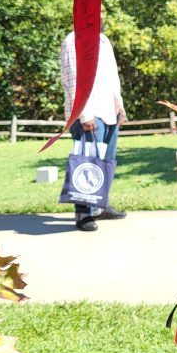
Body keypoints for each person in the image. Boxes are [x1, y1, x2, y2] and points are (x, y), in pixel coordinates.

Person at [60, 19, 127, 232]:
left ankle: (99, 206)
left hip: (109, 112)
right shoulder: (73, 41)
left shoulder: (104, 41)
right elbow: (72, 80)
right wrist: (85, 114)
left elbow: (112, 77)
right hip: (89, 113)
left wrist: (120, 107)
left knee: (106, 163)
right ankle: (83, 214)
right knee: (86, 162)